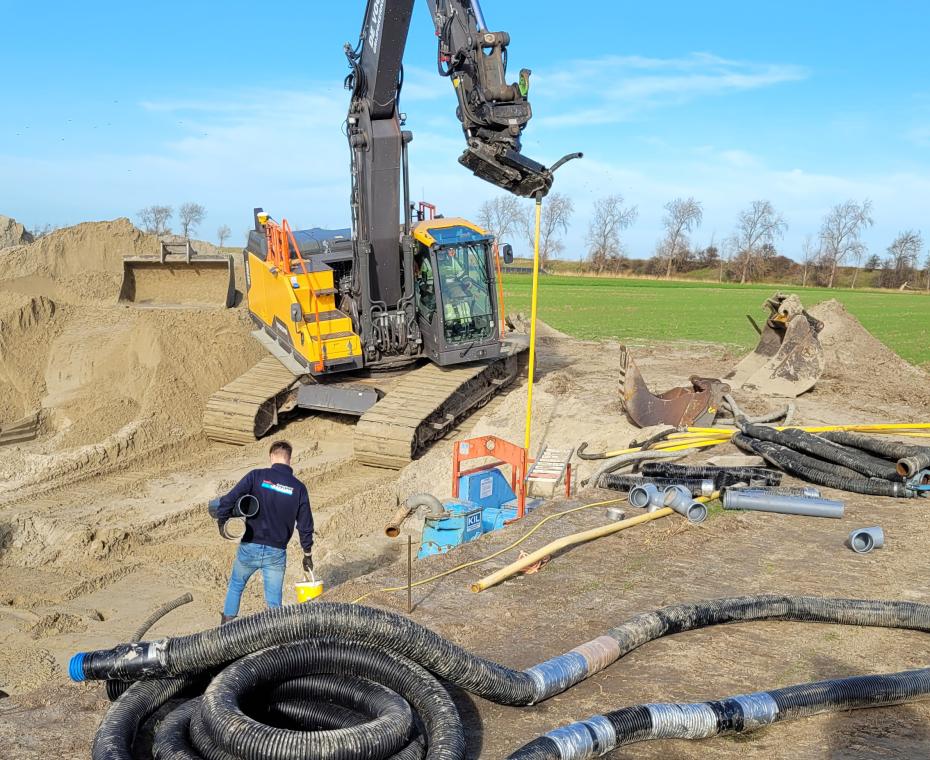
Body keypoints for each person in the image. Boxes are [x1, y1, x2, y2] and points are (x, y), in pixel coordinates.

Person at [216, 440, 314, 624]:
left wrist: (222, 520)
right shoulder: (299, 488)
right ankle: (273, 643)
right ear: (289, 459)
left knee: (236, 586)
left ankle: (226, 630)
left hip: (250, 546)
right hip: (276, 553)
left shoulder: (256, 476)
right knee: (274, 603)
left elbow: (229, 499)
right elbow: (305, 525)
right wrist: (307, 553)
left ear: (271, 457)